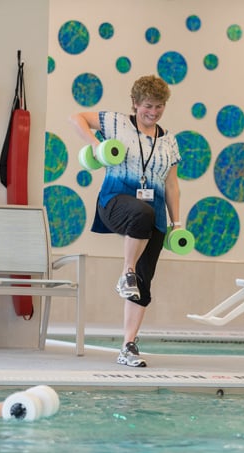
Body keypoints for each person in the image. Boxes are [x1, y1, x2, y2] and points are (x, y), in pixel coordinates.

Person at [70, 75, 182, 368]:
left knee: (144, 283)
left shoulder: (169, 141)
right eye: (148, 105)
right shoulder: (116, 122)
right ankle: (126, 271)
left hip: (153, 211)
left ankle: (128, 346)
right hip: (115, 201)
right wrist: (95, 144)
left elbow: (171, 185)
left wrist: (177, 223)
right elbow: (77, 117)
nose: (153, 112)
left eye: (159, 106)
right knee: (139, 215)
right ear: (135, 104)